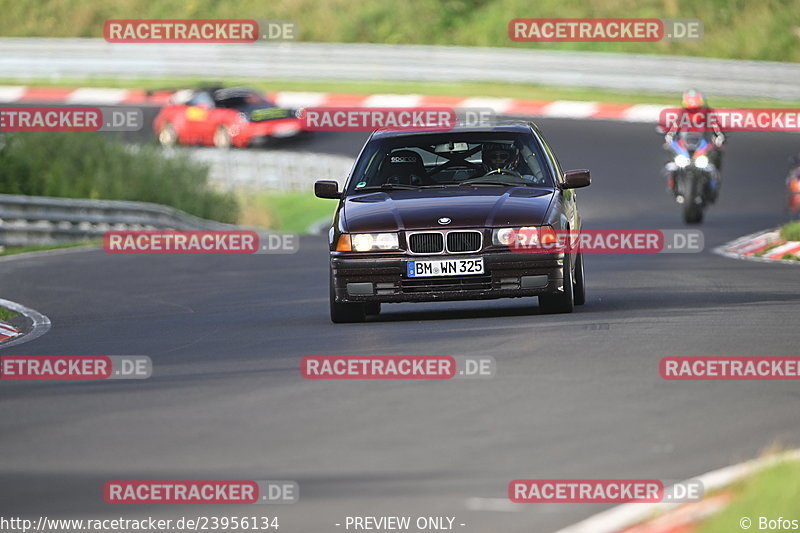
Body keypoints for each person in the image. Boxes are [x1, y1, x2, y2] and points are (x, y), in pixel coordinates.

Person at [662, 90, 725, 201]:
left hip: (702, 145)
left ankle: (713, 184)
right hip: (685, 145)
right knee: (671, 162)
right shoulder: (682, 114)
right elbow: (674, 127)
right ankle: (673, 185)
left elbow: (716, 127)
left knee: (716, 157)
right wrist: (669, 137)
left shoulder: (708, 113)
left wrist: (719, 138)